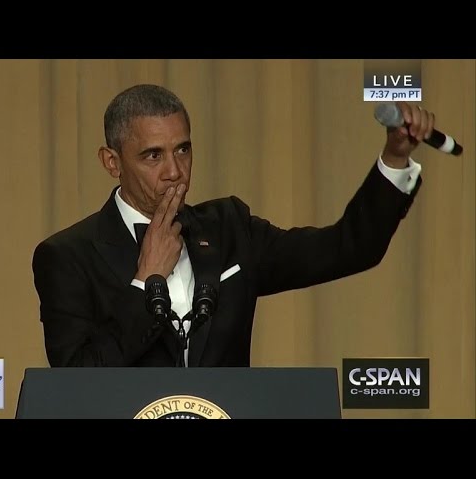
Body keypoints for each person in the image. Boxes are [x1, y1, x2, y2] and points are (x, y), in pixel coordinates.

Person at [32, 84, 432, 367]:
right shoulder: (68, 256)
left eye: (183, 150)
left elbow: (347, 248)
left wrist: (395, 158)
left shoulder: (229, 230)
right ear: (112, 163)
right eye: (153, 156)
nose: (175, 172)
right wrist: (146, 281)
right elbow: (76, 381)